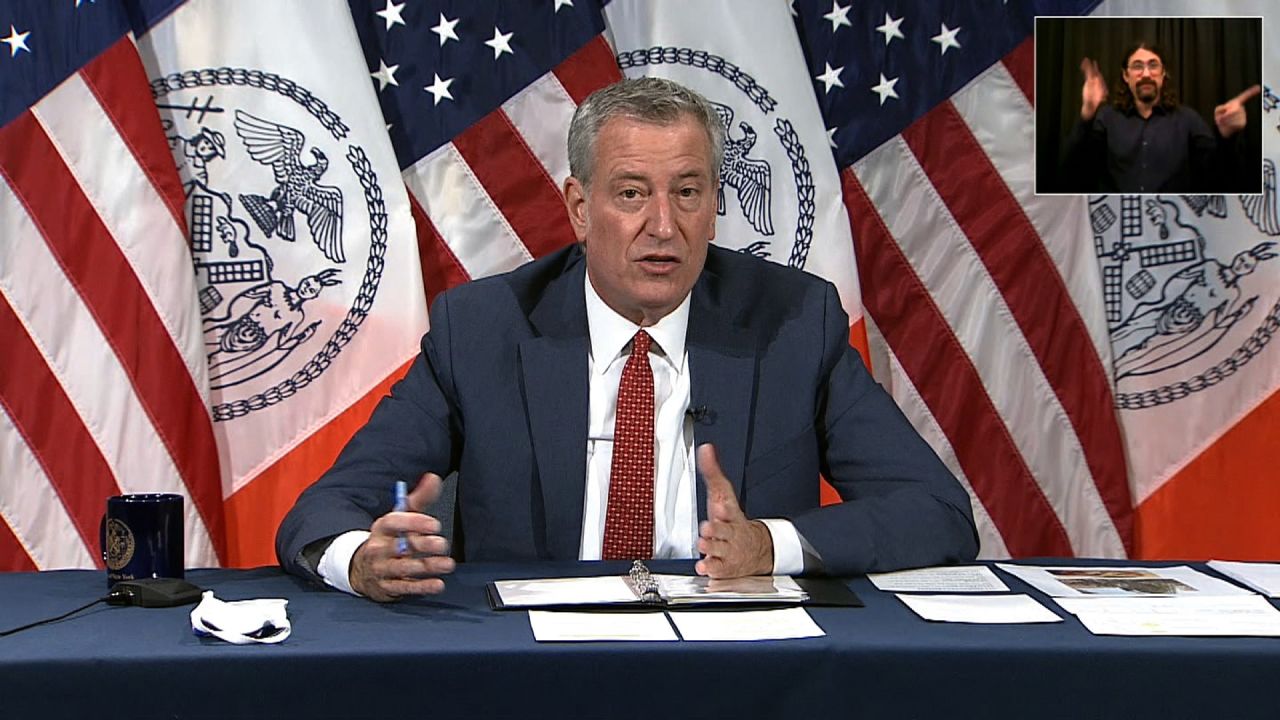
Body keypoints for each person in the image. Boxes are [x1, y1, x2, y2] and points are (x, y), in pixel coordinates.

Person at [275, 77, 978, 602]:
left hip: (739, 668)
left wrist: (771, 544)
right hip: (539, 666)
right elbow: (326, 507)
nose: (664, 226)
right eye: (633, 193)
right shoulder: (485, 329)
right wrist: (361, 559)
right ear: (580, 208)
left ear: (714, 205)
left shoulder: (792, 322)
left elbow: (936, 513)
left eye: (688, 192)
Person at [1061, 41, 1259, 193]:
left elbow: (1219, 178)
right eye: (1137, 66)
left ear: (1163, 74)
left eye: (1153, 65)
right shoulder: (1106, 118)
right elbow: (1071, 172)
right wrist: (1086, 115)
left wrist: (1226, 137)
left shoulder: (1188, 119)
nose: (1146, 73)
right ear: (1125, 75)